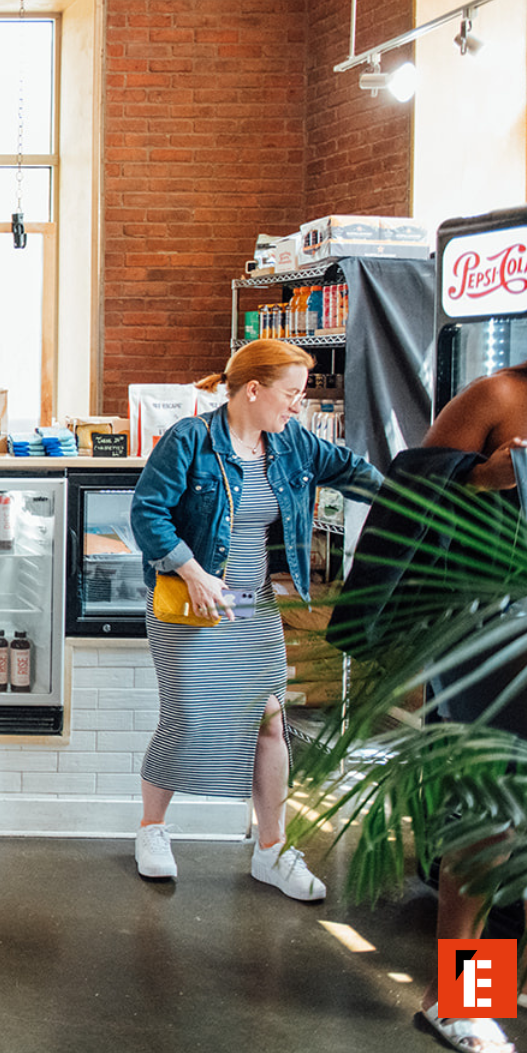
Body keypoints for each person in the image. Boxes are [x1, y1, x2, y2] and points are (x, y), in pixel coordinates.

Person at [128, 338, 382, 896]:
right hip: (192, 600)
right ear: (254, 389)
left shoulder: (293, 446)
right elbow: (146, 513)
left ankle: (271, 851)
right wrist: (192, 570)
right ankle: (152, 830)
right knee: (190, 716)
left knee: (269, 721)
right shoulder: (192, 441)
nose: (297, 406)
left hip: (252, 605)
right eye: (291, 394)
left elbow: (363, 475)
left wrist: (448, 480)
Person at [407, 289, 527, 1053]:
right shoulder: (500, 396)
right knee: (491, 823)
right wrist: (483, 478)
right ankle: (460, 999)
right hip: (490, 640)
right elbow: (407, 497)